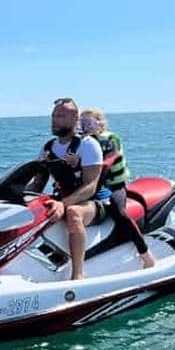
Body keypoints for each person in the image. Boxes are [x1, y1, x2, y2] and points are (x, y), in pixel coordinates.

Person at [30, 98, 104, 281]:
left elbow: (90, 187)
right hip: (59, 200)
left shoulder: (88, 145)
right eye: (54, 115)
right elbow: (37, 184)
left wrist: (63, 204)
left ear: (75, 118)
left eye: (61, 115)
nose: (55, 120)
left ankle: (77, 274)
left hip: (91, 203)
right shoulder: (48, 148)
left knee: (73, 213)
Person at [80, 108, 156, 268]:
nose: (85, 126)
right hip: (93, 186)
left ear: (100, 123)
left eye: (89, 123)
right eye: (82, 123)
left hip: (114, 186)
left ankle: (146, 255)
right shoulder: (83, 142)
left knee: (119, 212)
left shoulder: (111, 139)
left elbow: (107, 161)